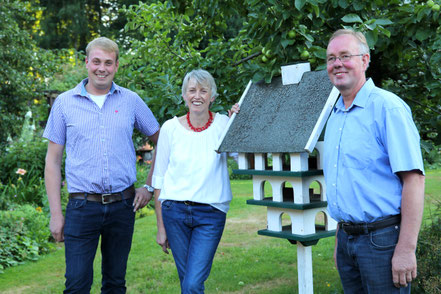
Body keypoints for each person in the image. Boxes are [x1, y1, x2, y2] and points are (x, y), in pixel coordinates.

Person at [43, 37, 160, 293]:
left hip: (122, 206)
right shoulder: (64, 103)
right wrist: (55, 214)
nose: (101, 68)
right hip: (82, 206)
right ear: (86, 63)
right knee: (76, 284)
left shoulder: (130, 101)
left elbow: (163, 142)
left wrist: (149, 186)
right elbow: (52, 162)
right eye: (96, 61)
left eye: (108, 63)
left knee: (115, 283)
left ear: (117, 66)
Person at [323, 28, 426, 293]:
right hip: (347, 240)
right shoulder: (334, 115)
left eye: (345, 55)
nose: (337, 64)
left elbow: (414, 180)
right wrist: (340, 241)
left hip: (383, 242)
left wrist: (406, 249)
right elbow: (345, 184)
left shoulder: (387, 109)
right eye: (331, 58)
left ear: (365, 60)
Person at [152, 69, 239, 294]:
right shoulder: (170, 128)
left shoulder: (223, 124)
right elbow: (159, 179)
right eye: (192, 90)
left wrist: (239, 124)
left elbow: (242, 156)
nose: (197, 95)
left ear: (212, 96)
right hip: (174, 212)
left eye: (203, 90)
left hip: (210, 214)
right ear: (184, 95)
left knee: (192, 283)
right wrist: (161, 227)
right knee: (188, 283)